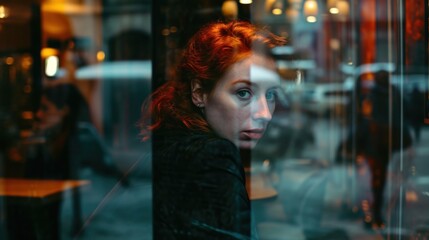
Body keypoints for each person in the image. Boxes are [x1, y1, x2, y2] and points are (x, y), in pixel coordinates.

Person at [139, 21, 286, 239]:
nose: (265, 113)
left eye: (271, 94)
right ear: (199, 93)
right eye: (244, 93)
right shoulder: (213, 155)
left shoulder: (172, 142)